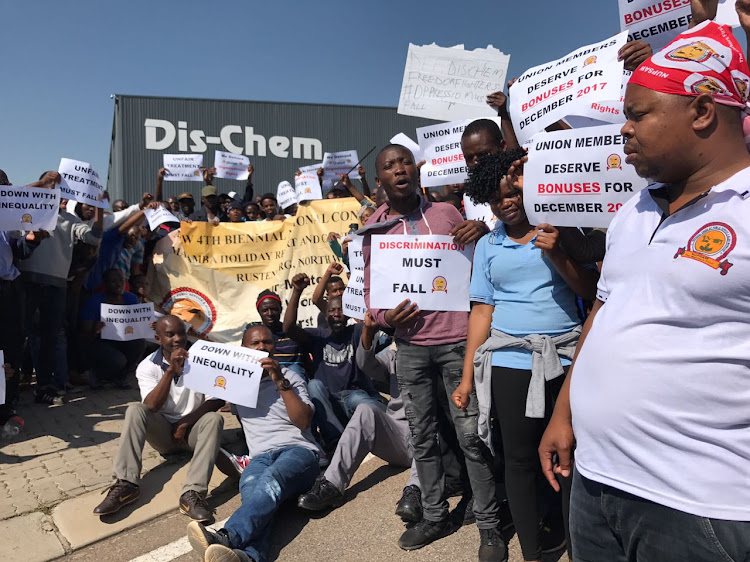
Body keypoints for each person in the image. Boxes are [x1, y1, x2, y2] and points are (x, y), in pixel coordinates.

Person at [539, 19, 750, 561]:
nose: (623, 130)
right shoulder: (634, 210)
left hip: (699, 507)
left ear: (702, 112)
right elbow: (604, 312)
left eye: (638, 115)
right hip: (596, 480)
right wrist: (565, 412)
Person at [360, 144, 504, 560]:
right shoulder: (374, 231)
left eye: (405, 161)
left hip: (458, 343)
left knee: (470, 435)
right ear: (380, 179)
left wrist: (482, 231)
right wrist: (388, 316)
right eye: (389, 166)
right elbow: (372, 299)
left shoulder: (446, 214)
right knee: (423, 438)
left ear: (417, 170)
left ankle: (490, 525)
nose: (399, 169)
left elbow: (479, 265)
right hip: (410, 349)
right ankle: (436, 514)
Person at [459, 152, 598, 562]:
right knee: (518, 460)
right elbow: (482, 311)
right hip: (510, 361)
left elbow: (590, 292)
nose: (508, 202)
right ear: (488, 201)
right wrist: (468, 376)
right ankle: (533, 553)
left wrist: (557, 252)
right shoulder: (487, 245)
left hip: (567, 358)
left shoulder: (559, 231)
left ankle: (579, 547)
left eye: (513, 192)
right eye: (497, 197)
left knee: (570, 458)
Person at [186, 324, 321, 562]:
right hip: (259, 457)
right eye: (255, 343)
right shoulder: (238, 385)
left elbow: (303, 422)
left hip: (299, 452)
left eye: (266, 342)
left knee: (271, 481)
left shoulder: (290, 376)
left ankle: (226, 537)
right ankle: (248, 557)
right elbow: (212, 387)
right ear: (244, 349)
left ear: (275, 346)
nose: (261, 347)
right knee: (252, 493)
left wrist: (279, 380)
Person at [93, 315, 224, 521]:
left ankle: (193, 493)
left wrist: (185, 422)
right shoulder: (147, 366)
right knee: (135, 409)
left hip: (192, 434)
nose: (178, 339)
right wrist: (170, 371)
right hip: (164, 435)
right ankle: (126, 484)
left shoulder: (202, 360)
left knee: (214, 420)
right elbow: (152, 405)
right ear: (158, 339)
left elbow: (215, 401)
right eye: (170, 335)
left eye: (181, 333)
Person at [297, 311, 422, 521]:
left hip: (430, 439)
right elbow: (367, 365)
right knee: (365, 409)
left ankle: (415, 491)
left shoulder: (442, 357)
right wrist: (368, 330)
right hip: (400, 438)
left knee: (433, 422)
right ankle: (332, 485)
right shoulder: (394, 354)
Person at [19, 171, 103, 404]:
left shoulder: (70, 219)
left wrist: (99, 207)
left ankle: (44, 387)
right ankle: (11, 388)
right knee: (19, 337)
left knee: (49, 338)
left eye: (60, 186)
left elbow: (94, 238)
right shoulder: (29, 208)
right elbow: (7, 198)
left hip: (57, 286)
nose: (57, 190)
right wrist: (41, 184)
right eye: (51, 184)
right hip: (28, 282)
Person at [283, 275, 385, 450]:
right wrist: (297, 292)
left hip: (353, 396)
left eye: (341, 310)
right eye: (331, 311)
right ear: (325, 314)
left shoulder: (357, 331)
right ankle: (335, 441)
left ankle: (392, 426)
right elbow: (289, 328)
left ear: (348, 315)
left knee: (363, 401)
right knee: (314, 385)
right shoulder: (317, 337)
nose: (336, 314)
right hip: (329, 403)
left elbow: (378, 321)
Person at [79, 268, 148, 388]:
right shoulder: (94, 301)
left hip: (124, 340)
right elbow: (83, 334)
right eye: (113, 281)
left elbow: (138, 324)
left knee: (140, 344)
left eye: (121, 280)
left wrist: (148, 325)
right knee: (118, 360)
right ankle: (97, 375)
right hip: (99, 342)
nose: (119, 285)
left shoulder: (131, 298)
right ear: (105, 284)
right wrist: (95, 330)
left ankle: (120, 378)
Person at [253, 290, 305, 376]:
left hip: (293, 379)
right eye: (265, 310)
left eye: (274, 309)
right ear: (259, 311)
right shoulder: (252, 331)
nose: (270, 314)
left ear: (281, 309)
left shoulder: (292, 331)